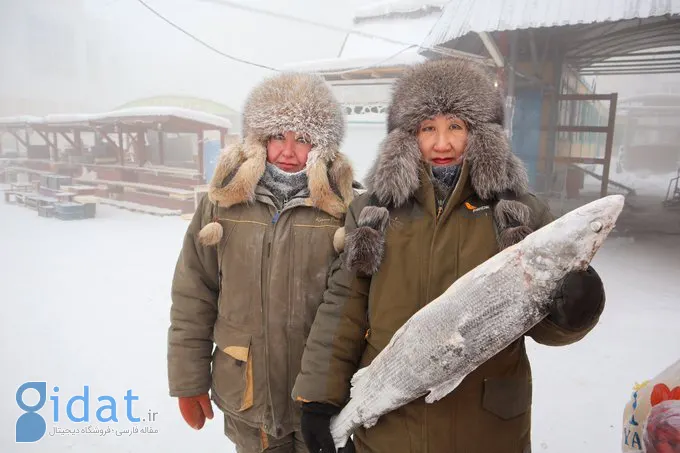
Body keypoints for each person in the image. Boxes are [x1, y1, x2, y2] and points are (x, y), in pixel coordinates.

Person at [292, 58, 607, 453]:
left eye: (455, 127)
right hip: (392, 423)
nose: (442, 144)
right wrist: (320, 398)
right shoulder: (374, 211)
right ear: (407, 137)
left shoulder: (520, 212)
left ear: (481, 133)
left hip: (486, 428)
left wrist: (574, 310)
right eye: (428, 129)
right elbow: (346, 303)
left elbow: (541, 324)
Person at [167, 71, 359, 453]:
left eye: (302, 139)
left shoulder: (347, 209)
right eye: (277, 137)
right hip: (248, 396)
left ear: (323, 146)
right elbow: (194, 293)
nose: (288, 152)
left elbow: (363, 307)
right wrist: (188, 381)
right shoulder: (222, 204)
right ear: (258, 140)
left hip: (323, 400)